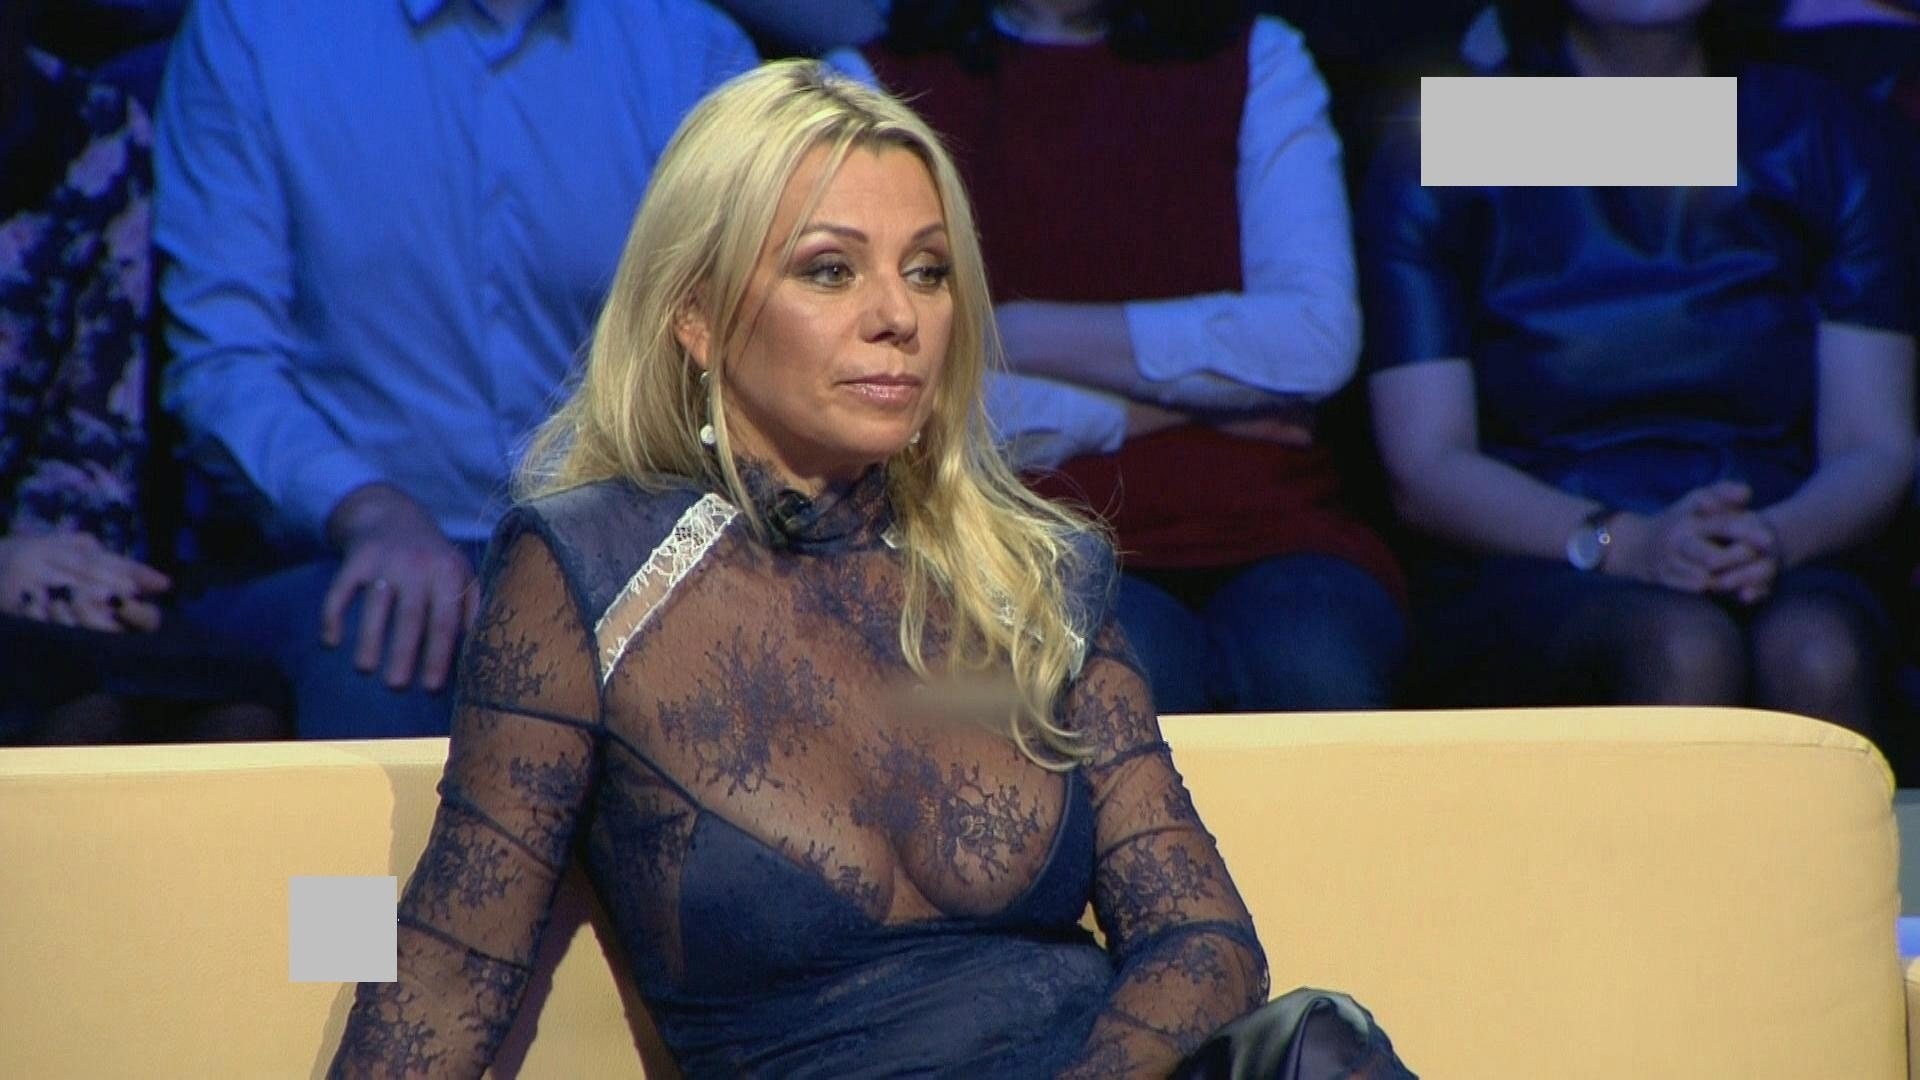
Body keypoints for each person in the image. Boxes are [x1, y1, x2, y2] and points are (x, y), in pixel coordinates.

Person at [328, 60, 1413, 1079]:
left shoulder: (1030, 570)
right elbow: (450, 966)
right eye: (830, 270)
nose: (897, 317)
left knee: (1322, 1041)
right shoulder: (591, 570)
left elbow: (1200, 937)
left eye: (928, 272)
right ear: (697, 315)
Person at [153, 0, 757, 738]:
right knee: (387, 637)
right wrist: (370, 512)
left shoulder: (689, 47)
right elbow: (224, 366)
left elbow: (738, 353)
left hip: (617, 535)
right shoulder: (255, 27)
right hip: (340, 552)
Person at [832, 0, 1408, 715]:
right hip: (1023, 524)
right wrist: (1157, 408)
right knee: (1131, 672)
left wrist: (1021, 333)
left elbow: (1315, 340)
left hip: (1273, 523)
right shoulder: (873, 85)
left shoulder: (1257, 57)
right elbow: (919, 391)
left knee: (1317, 666)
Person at [1361, 0, 1916, 740]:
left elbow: (1874, 443)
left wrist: (1773, 538)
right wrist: (1627, 544)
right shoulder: (1453, 134)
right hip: (1540, 548)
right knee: (1682, 647)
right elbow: (1428, 463)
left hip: (1780, 531)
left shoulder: (1818, 131)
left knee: (1818, 652)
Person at [0, 1, 283, 744]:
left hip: (40, 567)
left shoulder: (96, 129)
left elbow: (90, 436)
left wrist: (65, 571)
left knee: (237, 711)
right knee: (82, 719)